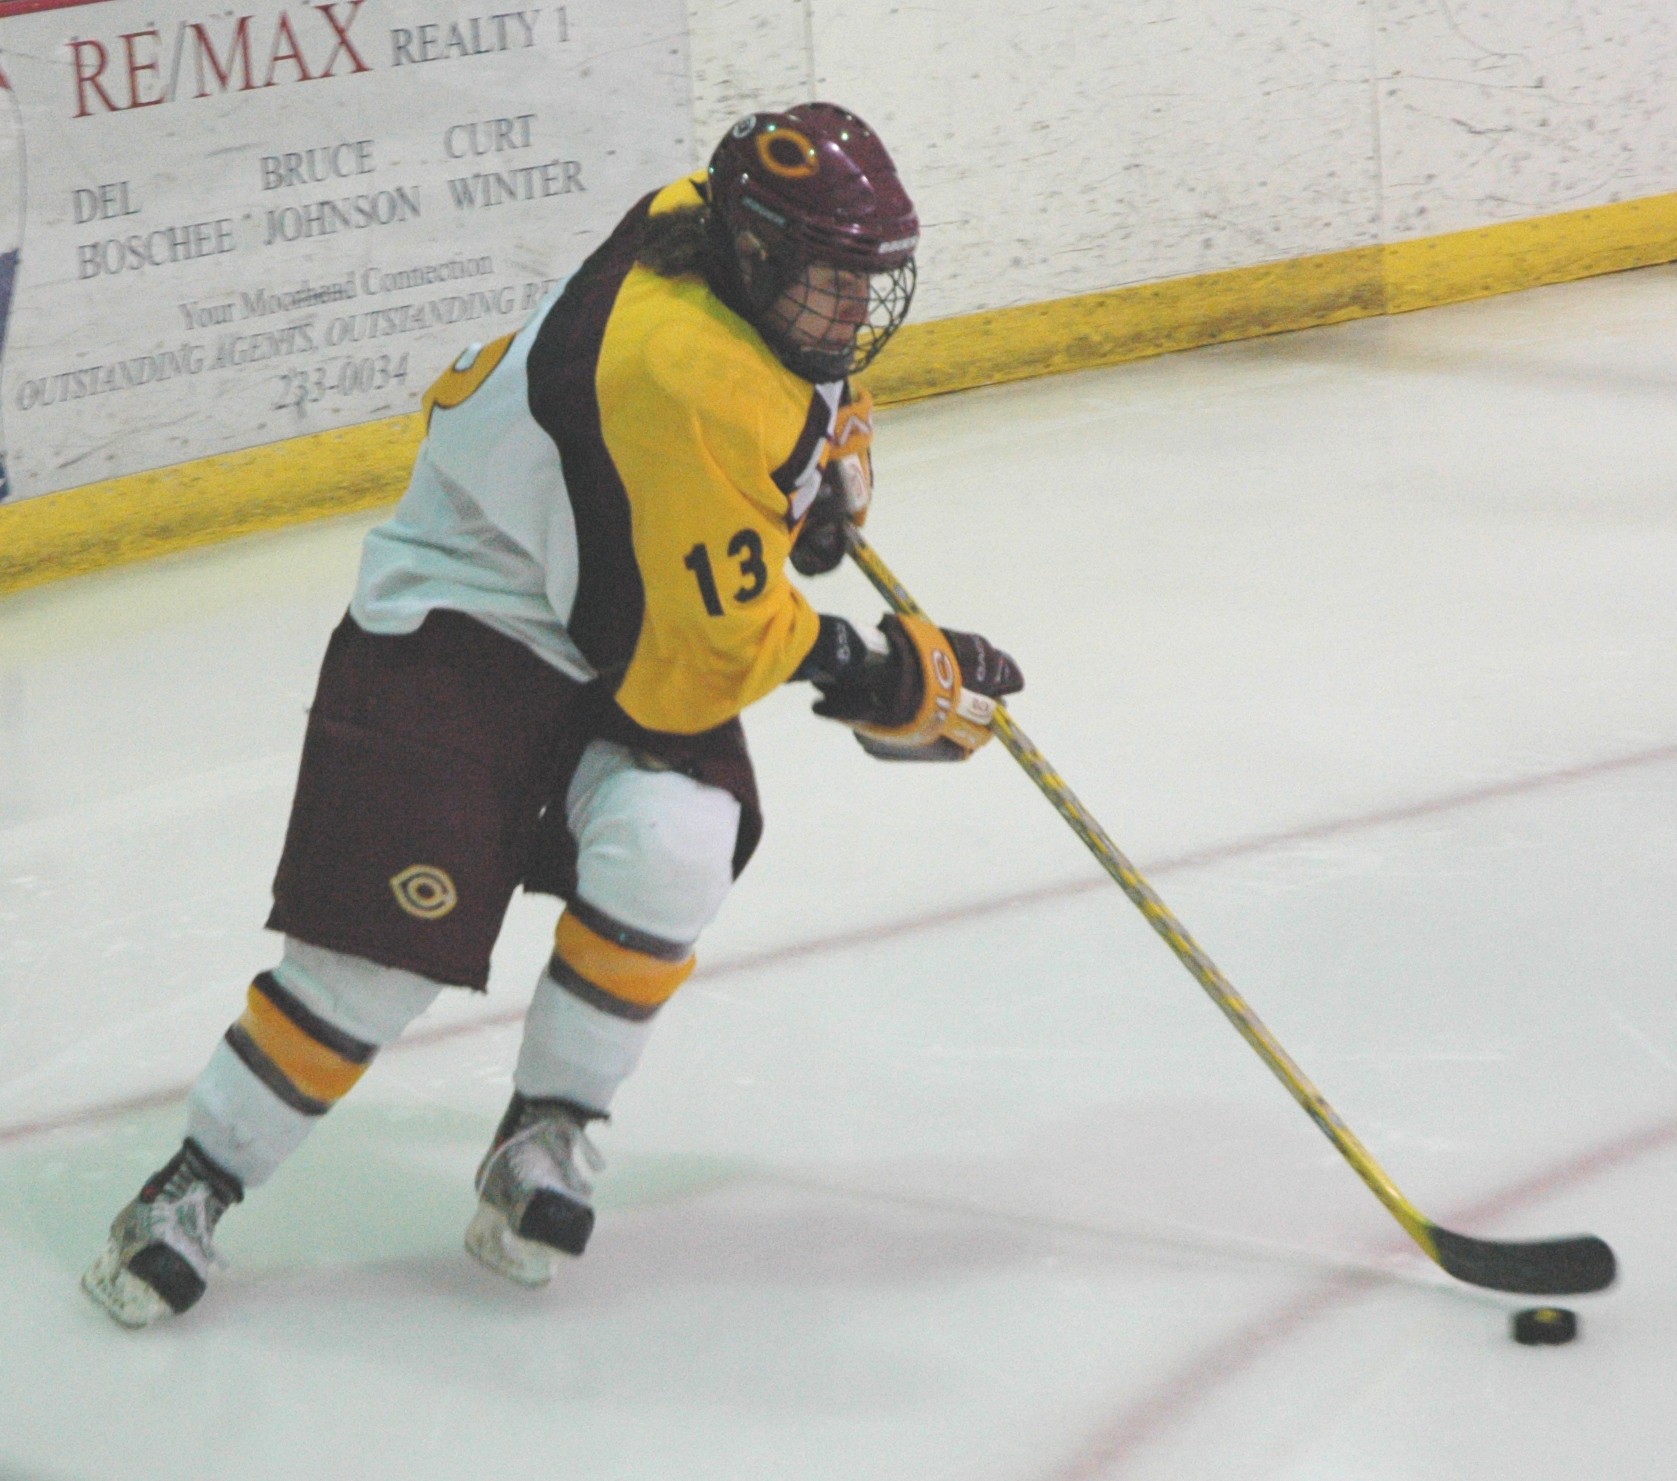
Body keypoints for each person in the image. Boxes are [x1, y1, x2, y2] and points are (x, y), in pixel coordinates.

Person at [81, 102, 1023, 1328]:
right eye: (829, 277)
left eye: (866, 278)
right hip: (470, 610)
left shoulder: (707, 226)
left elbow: (751, 457)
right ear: (753, 250)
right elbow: (713, 643)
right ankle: (191, 1186)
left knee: (676, 839)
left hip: (608, 596)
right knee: (376, 957)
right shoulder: (680, 371)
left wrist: (806, 473)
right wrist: (881, 671)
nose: (851, 308)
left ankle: (547, 1127)